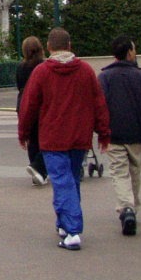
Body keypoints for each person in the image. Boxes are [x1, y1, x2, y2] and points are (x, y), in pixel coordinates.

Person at [18, 28, 110, 250]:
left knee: (61, 181)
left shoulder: (42, 73)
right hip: (79, 135)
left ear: (49, 47)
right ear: (69, 46)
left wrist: (24, 132)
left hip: (53, 136)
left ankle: (72, 229)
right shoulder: (86, 71)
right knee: (70, 180)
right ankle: (63, 222)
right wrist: (104, 132)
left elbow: (29, 106)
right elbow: (99, 103)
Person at [98, 35, 141, 236]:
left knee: (119, 172)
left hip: (114, 133)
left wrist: (101, 130)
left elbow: (98, 106)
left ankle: (126, 207)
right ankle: (132, 206)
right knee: (135, 170)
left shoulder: (104, 78)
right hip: (137, 132)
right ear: (129, 53)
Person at [16, 36, 48, 186]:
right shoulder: (43, 65)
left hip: (23, 103)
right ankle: (39, 167)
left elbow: (19, 85)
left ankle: (35, 168)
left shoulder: (21, 67)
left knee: (32, 137)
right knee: (45, 137)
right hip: (40, 103)